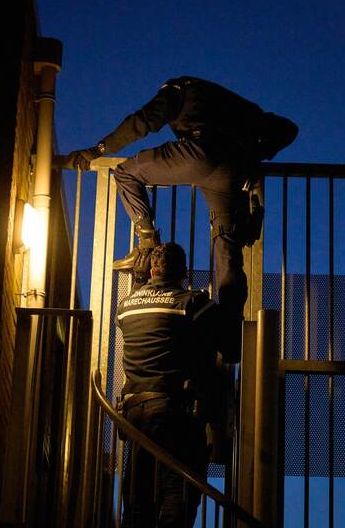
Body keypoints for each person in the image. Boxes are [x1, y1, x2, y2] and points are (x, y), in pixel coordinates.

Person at [62, 76, 298, 360]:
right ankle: (231, 333)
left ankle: (147, 245)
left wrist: (98, 150)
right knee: (226, 247)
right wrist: (253, 157)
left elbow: (143, 121)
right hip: (232, 170)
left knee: (126, 173)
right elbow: (287, 129)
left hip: (199, 154)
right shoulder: (237, 104)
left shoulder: (179, 90)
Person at [115, 242, 219, 528]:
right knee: (179, 489)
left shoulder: (125, 307)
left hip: (134, 413)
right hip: (173, 410)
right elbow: (217, 339)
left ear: (151, 270)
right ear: (184, 272)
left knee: (137, 496)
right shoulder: (192, 303)